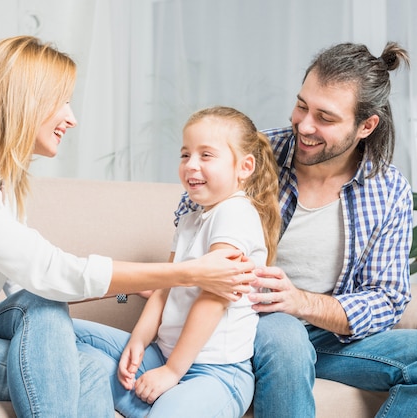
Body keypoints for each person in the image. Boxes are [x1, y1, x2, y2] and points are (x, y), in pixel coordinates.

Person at [0, 36, 254, 418]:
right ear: (25, 102)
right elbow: (47, 275)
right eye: (62, 102)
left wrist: (128, 289)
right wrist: (183, 273)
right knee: (67, 338)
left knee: (73, 343)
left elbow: (26, 286)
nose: (71, 118)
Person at [177, 42, 417, 417]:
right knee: (285, 334)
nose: (304, 125)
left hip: (325, 336)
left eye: (325, 118)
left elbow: (388, 298)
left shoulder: (388, 189)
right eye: (302, 106)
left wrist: (302, 302)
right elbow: (188, 222)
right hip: (250, 325)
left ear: (366, 126)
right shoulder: (251, 156)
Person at [74, 106, 281, 418]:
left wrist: (171, 372)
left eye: (206, 155)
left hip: (216, 373)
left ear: (244, 167)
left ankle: (156, 400)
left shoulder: (235, 213)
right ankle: (146, 397)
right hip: (161, 356)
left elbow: (212, 300)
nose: (191, 165)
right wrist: (139, 341)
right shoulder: (189, 219)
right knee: (64, 331)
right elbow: (163, 288)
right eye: (185, 155)